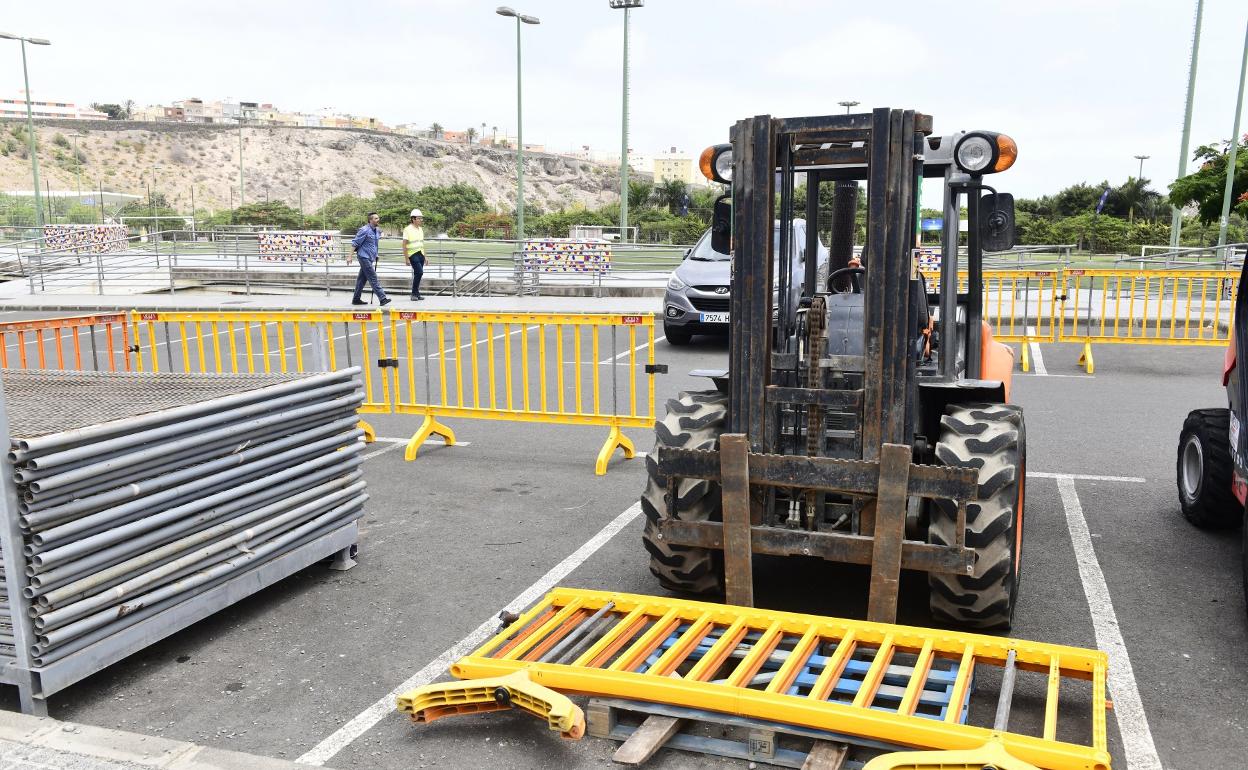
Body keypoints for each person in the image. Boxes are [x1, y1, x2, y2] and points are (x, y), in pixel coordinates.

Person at [351, 212, 390, 306]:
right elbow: (355, 243)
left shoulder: (376, 230)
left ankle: (356, 299)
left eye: (378, 218)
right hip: (363, 257)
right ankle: (382, 298)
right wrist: (349, 256)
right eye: (376, 218)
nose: (378, 220)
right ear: (370, 220)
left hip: (370, 257)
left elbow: (375, 243)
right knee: (373, 277)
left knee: (361, 279)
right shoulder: (364, 230)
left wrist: (376, 254)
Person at [403, 208, 427, 300]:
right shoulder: (407, 229)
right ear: (413, 219)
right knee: (419, 272)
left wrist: (425, 256)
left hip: (420, 254)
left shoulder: (420, 229)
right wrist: (406, 258)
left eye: (421, 218)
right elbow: (404, 244)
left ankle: (416, 294)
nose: (421, 220)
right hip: (412, 254)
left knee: (418, 273)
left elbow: (422, 243)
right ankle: (413, 293)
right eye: (419, 218)